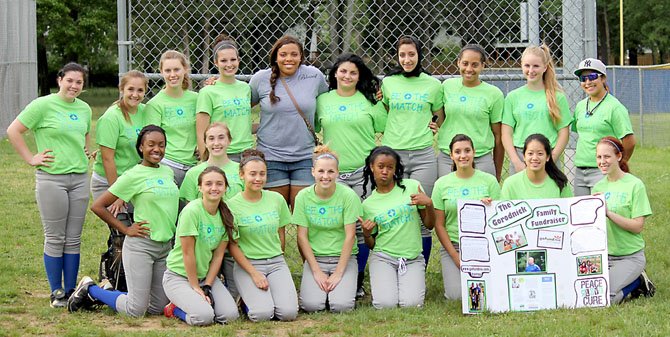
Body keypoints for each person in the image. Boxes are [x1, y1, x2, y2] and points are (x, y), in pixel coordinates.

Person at [68, 125, 179, 317]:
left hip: (165, 247)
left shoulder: (167, 172)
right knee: (136, 311)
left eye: (161, 145)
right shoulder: (133, 175)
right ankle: (90, 289)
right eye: (151, 144)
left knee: (156, 308)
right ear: (141, 148)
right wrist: (126, 230)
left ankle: (110, 292)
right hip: (141, 246)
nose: (157, 149)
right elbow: (98, 206)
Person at [6, 62, 92, 308]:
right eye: (70, 81)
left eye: (79, 83)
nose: (74, 86)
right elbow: (14, 130)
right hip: (52, 179)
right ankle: (56, 292)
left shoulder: (84, 109)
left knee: (73, 238)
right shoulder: (42, 105)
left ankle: (71, 289)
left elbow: (85, 133)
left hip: (78, 178)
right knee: (55, 237)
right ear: (59, 80)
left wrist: (84, 148)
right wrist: (31, 158)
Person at [315, 52, 386, 298]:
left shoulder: (369, 101)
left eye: (353, 72)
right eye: (343, 71)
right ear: (335, 74)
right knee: (333, 227)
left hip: (362, 174)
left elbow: (388, 126)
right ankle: (328, 275)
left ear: (359, 77)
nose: (347, 76)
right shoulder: (323, 100)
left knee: (359, 228)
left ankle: (356, 279)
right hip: (331, 176)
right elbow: (313, 126)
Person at [380, 35, 444, 265]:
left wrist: (436, 123)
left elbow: (440, 113)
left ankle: (420, 269)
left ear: (419, 55)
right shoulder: (388, 82)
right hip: (394, 155)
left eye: (411, 54)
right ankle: (395, 262)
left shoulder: (433, 84)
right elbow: (385, 110)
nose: (407, 59)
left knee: (421, 213)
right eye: (402, 55)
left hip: (423, 156)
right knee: (397, 211)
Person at [249, 35, 329, 207]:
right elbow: (237, 108)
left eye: (294, 54)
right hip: (271, 156)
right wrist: (216, 83)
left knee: (305, 213)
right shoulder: (261, 79)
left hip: (305, 156)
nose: (289, 59)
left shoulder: (314, 77)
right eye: (283, 54)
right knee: (276, 215)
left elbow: (332, 100)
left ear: (301, 56)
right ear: (275, 57)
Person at [227, 149, 298, 321]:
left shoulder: (276, 199)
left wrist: (279, 261)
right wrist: (254, 273)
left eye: (262, 174)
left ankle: (270, 295)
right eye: (252, 174)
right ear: (241, 175)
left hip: (276, 262)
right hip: (248, 264)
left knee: (288, 314)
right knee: (262, 315)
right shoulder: (231, 205)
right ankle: (246, 301)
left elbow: (281, 234)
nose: (258, 179)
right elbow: (232, 245)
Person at [359, 146, 435, 309]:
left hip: (412, 258)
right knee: (385, 305)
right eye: (380, 166)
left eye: (390, 167)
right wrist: (366, 234)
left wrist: (429, 204)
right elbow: (372, 244)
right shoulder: (368, 205)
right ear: (372, 167)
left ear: (395, 169)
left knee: (412, 305)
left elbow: (429, 225)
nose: (385, 171)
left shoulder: (412, 186)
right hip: (383, 258)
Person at [162, 166, 240, 325]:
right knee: (204, 317)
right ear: (200, 187)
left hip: (205, 277)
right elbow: (187, 253)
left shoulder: (226, 215)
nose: (214, 188)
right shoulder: (192, 211)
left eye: (219, 184)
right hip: (179, 276)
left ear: (225, 188)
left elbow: (218, 256)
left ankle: (197, 301)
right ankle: (174, 309)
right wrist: (195, 287)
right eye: (208, 184)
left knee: (230, 316)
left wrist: (208, 286)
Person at [431, 134, 500, 300]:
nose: (463, 155)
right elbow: (439, 225)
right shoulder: (441, 184)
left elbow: (499, 218)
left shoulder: (489, 181)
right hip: (455, 246)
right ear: (451, 155)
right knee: (457, 297)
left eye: (467, 150)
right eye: (458, 151)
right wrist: (456, 257)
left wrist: (489, 207)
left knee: (488, 293)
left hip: (484, 246)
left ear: (474, 153)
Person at [179, 122, 244, 299]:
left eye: (221, 137)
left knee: (234, 296)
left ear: (230, 141)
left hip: (233, 239)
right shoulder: (194, 173)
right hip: (206, 242)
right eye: (211, 138)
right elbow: (189, 209)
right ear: (205, 142)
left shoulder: (240, 170)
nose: (216, 143)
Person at [293, 146, 361, 313]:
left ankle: (341, 289)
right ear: (313, 172)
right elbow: (302, 236)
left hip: (343, 258)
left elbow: (350, 235)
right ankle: (320, 289)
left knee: (341, 306)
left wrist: (338, 273)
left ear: (337, 173)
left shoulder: (348, 196)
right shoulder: (303, 196)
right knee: (311, 306)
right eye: (321, 171)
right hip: (317, 258)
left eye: (331, 171)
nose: (325, 176)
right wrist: (315, 271)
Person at [592, 136, 654, 303]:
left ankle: (637, 281)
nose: (602, 161)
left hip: (630, 256)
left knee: (605, 299)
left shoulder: (635, 185)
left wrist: (608, 213)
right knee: (588, 294)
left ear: (618, 156)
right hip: (606, 255)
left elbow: (637, 226)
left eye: (607, 156)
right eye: (599, 157)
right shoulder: (597, 188)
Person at [435, 44, 504, 179]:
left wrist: (497, 172)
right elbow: (440, 119)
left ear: (483, 65)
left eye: (475, 64)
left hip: (480, 158)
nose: (469, 69)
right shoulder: (447, 86)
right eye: (465, 63)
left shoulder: (494, 94)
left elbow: (498, 136)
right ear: (458, 63)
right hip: (448, 158)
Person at [501, 45, 572, 174]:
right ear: (521, 66)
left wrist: (552, 158)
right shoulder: (513, 97)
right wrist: (516, 161)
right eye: (527, 66)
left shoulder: (557, 97)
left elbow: (564, 133)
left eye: (536, 66)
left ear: (545, 67)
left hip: (547, 155)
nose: (531, 70)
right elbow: (506, 133)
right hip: (521, 155)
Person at [572, 58, 636, 196]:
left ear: (603, 78)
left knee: (603, 213)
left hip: (602, 169)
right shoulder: (580, 106)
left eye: (592, 77)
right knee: (582, 214)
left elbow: (629, 141)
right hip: (580, 170)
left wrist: (618, 164)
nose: (587, 82)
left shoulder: (615, 107)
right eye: (583, 78)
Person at [91, 70, 149, 211]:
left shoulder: (147, 111)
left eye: (140, 90)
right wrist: (116, 194)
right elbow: (107, 159)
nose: (135, 95)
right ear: (121, 89)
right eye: (130, 89)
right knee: (121, 229)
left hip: (134, 180)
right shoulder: (111, 117)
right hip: (110, 182)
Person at [196, 36, 253, 163]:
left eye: (233, 59)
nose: (229, 64)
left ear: (239, 60)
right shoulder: (207, 92)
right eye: (223, 61)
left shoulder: (246, 88)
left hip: (247, 152)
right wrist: (206, 161)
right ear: (216, 63)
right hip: (223, 153)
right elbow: (201, 133)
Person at [146, 50, 198, 187]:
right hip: (168, 164)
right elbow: (152, 141)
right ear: (161, 72)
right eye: (168, 70)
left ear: (185, 70)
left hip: (195, 166)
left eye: (177, 69)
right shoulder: (155, 104)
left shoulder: (196, 99)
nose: (172, 75)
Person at [501, 134, 573, 199]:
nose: (535, 158)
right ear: (524, 157)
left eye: (540, 153)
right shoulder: (510, 184)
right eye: (530, 153)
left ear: (547, 157)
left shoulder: (560, 183)